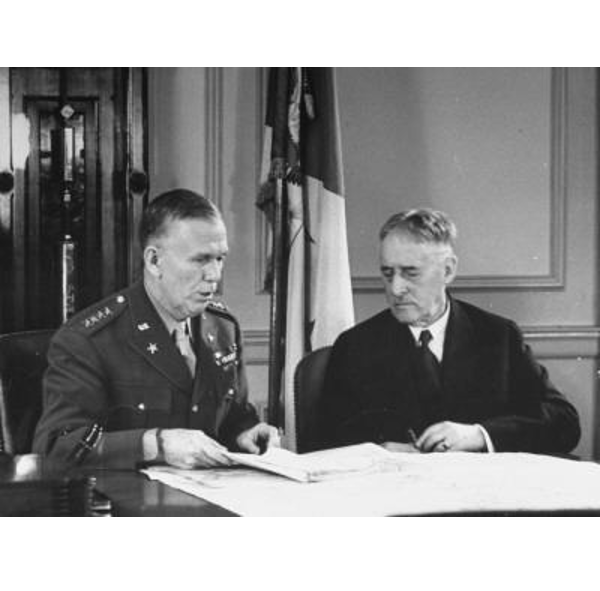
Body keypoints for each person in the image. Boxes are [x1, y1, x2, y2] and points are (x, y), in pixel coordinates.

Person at [33, 189, 279, 469]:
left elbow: (234, 418)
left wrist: (246, 433)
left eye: (219, 258)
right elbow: (56, 447)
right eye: (200, 260)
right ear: (154, 261)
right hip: (129, 496)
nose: (214, 275)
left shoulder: (223, 328)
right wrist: (155, 444)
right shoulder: (89, 340)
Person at [321, 208, 581, 454]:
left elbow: (564, 422)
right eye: (388, 273)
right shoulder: (355, 345)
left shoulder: (498, 336)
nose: (396, 288)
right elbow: (323, 440)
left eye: (411, 273)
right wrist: (376, 451)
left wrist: (480, 435)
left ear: (448, 270)